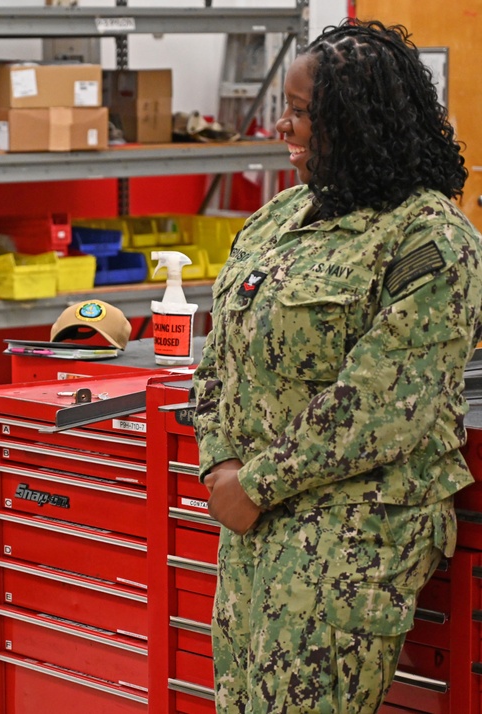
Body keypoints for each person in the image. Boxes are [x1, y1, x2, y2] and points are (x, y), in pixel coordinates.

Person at [193, 19, 482, 713]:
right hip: (255, 524)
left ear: (358, 122)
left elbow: (383, 405)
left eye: (300, 113)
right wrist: (218, 461)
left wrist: (255, 481)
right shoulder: (282, 216)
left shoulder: (432, 239)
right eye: (284, 109)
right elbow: (218, 351)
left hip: (351, 534)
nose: (282, 128)